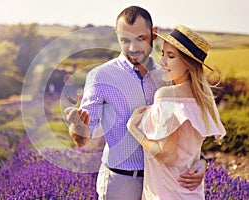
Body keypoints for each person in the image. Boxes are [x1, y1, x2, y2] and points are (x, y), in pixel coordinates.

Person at [65, 6, 207, 200]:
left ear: (154, 34)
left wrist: (201, 161)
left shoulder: (166, 77)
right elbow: (81, 139)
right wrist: (78, 126)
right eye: (125, 40)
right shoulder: (100, 77)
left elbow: (187, 130)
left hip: (160, 183)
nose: (132, 48)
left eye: (141, 38)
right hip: (120, 182)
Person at [127, 24, 226, 199]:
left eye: (171, 56)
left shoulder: (166, 96)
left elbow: (167, 155)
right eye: (163, 54)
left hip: (166, 193)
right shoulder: (204, 99)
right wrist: (202, 162)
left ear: (188, 64)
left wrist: (133, 128)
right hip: (192, 194)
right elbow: (190, 149)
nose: (162, 62)